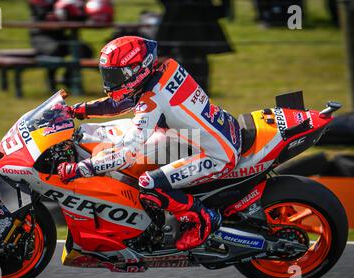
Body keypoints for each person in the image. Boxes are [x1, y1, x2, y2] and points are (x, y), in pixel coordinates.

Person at [56, 36, 242, 251]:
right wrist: (80, 110)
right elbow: (125, 101)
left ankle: (203, 220)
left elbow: (125, 154)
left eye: (116, 75)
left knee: (149, 183)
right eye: (107, 74)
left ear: (139, 69)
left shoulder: (152, 98)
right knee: (112, 137)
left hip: (216, 153)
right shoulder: (166, 69)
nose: (110, 81)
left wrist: (82, 168)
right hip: (204, 133)